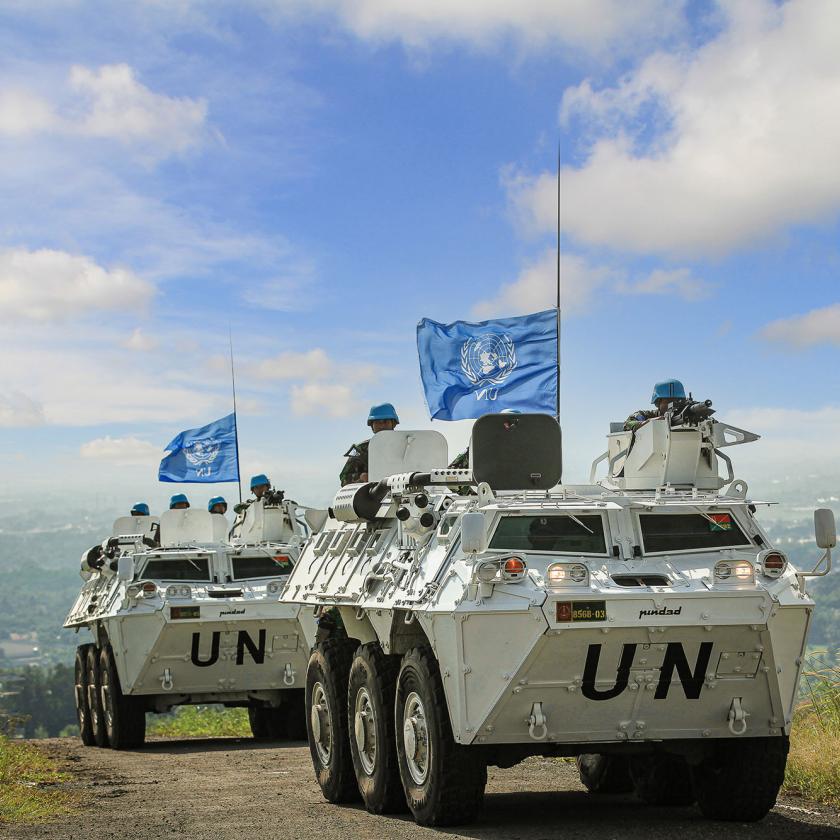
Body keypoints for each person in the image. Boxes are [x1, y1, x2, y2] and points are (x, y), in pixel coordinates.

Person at [339, 403, 399, 486]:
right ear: (372, 426)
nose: (381, 425)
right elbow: (344, 479)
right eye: (377, 422)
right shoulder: (360, 450)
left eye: (385, 421)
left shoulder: (408, 444)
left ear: (393, 424)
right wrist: (361, 478)